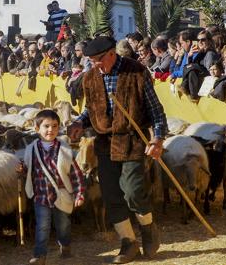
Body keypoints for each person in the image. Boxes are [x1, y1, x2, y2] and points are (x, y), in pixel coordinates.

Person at [67, 35, 167, 264]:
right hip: (104, 144)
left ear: (111, 54)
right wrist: (79, 124)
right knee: (111, 196)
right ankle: (128, 243)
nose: (94, 65)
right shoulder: (91, 77)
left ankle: (149, 230)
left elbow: (156, 111)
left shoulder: (137, 72)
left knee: (133, 191)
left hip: (132, 140)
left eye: (97, 60)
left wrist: (158, 138)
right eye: (91, 61)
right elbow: (90, 111)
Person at [19, 109, 85, 265]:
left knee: (63, 225)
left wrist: (79, 193)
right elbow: (29, 171)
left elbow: (75, 174)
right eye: (46, 126)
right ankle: (40, 256)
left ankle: (65, 245)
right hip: (41, 196)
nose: (51, 130)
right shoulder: (31, 150)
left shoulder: (65, 150)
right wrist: (23, 170)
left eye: (55, 126)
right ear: (37, 129)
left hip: (62, 195)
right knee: (42, 226)